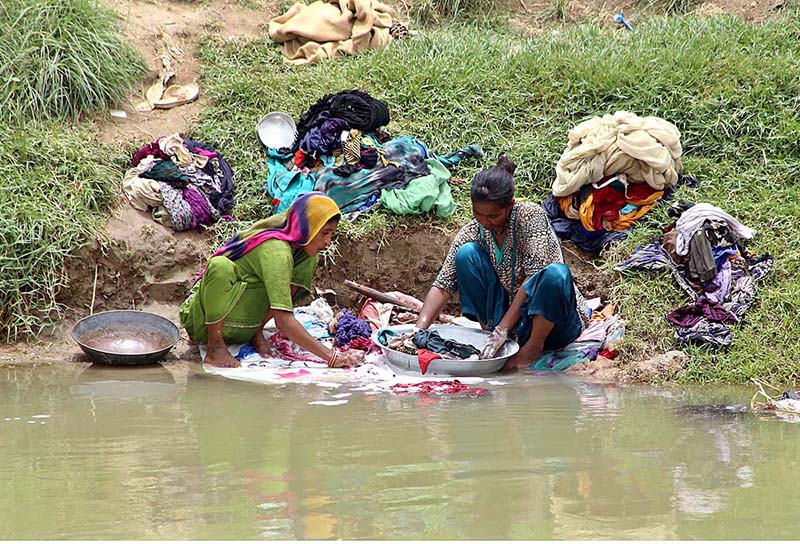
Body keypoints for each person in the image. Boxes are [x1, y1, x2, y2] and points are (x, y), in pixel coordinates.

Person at [415, 157, 590, 370]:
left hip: (551, 321)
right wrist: (418, 332)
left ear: (510, 206)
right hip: (509, 324)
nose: (485, 221)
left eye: (493, 216)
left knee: (555, 274)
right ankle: (490, 340)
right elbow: (443, 284)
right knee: (466, 255)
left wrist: (503, 329)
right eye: (478, 213)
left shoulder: (529, 216)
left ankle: (532, 348)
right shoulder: (474, 231)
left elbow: (533, 277)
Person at [179, 192, 365, 369]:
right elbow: (283, 321)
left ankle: (256, 333)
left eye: (331, 234)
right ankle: (215, 347)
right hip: (204, 325)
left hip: (245, 327)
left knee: (309, 257)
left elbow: (282, 310)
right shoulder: (277, 251)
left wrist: (256, 332)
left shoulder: (299, 252)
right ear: (307, 227)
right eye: (324, 232)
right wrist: (332, 357)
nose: (328, 241)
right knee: (221, 266)